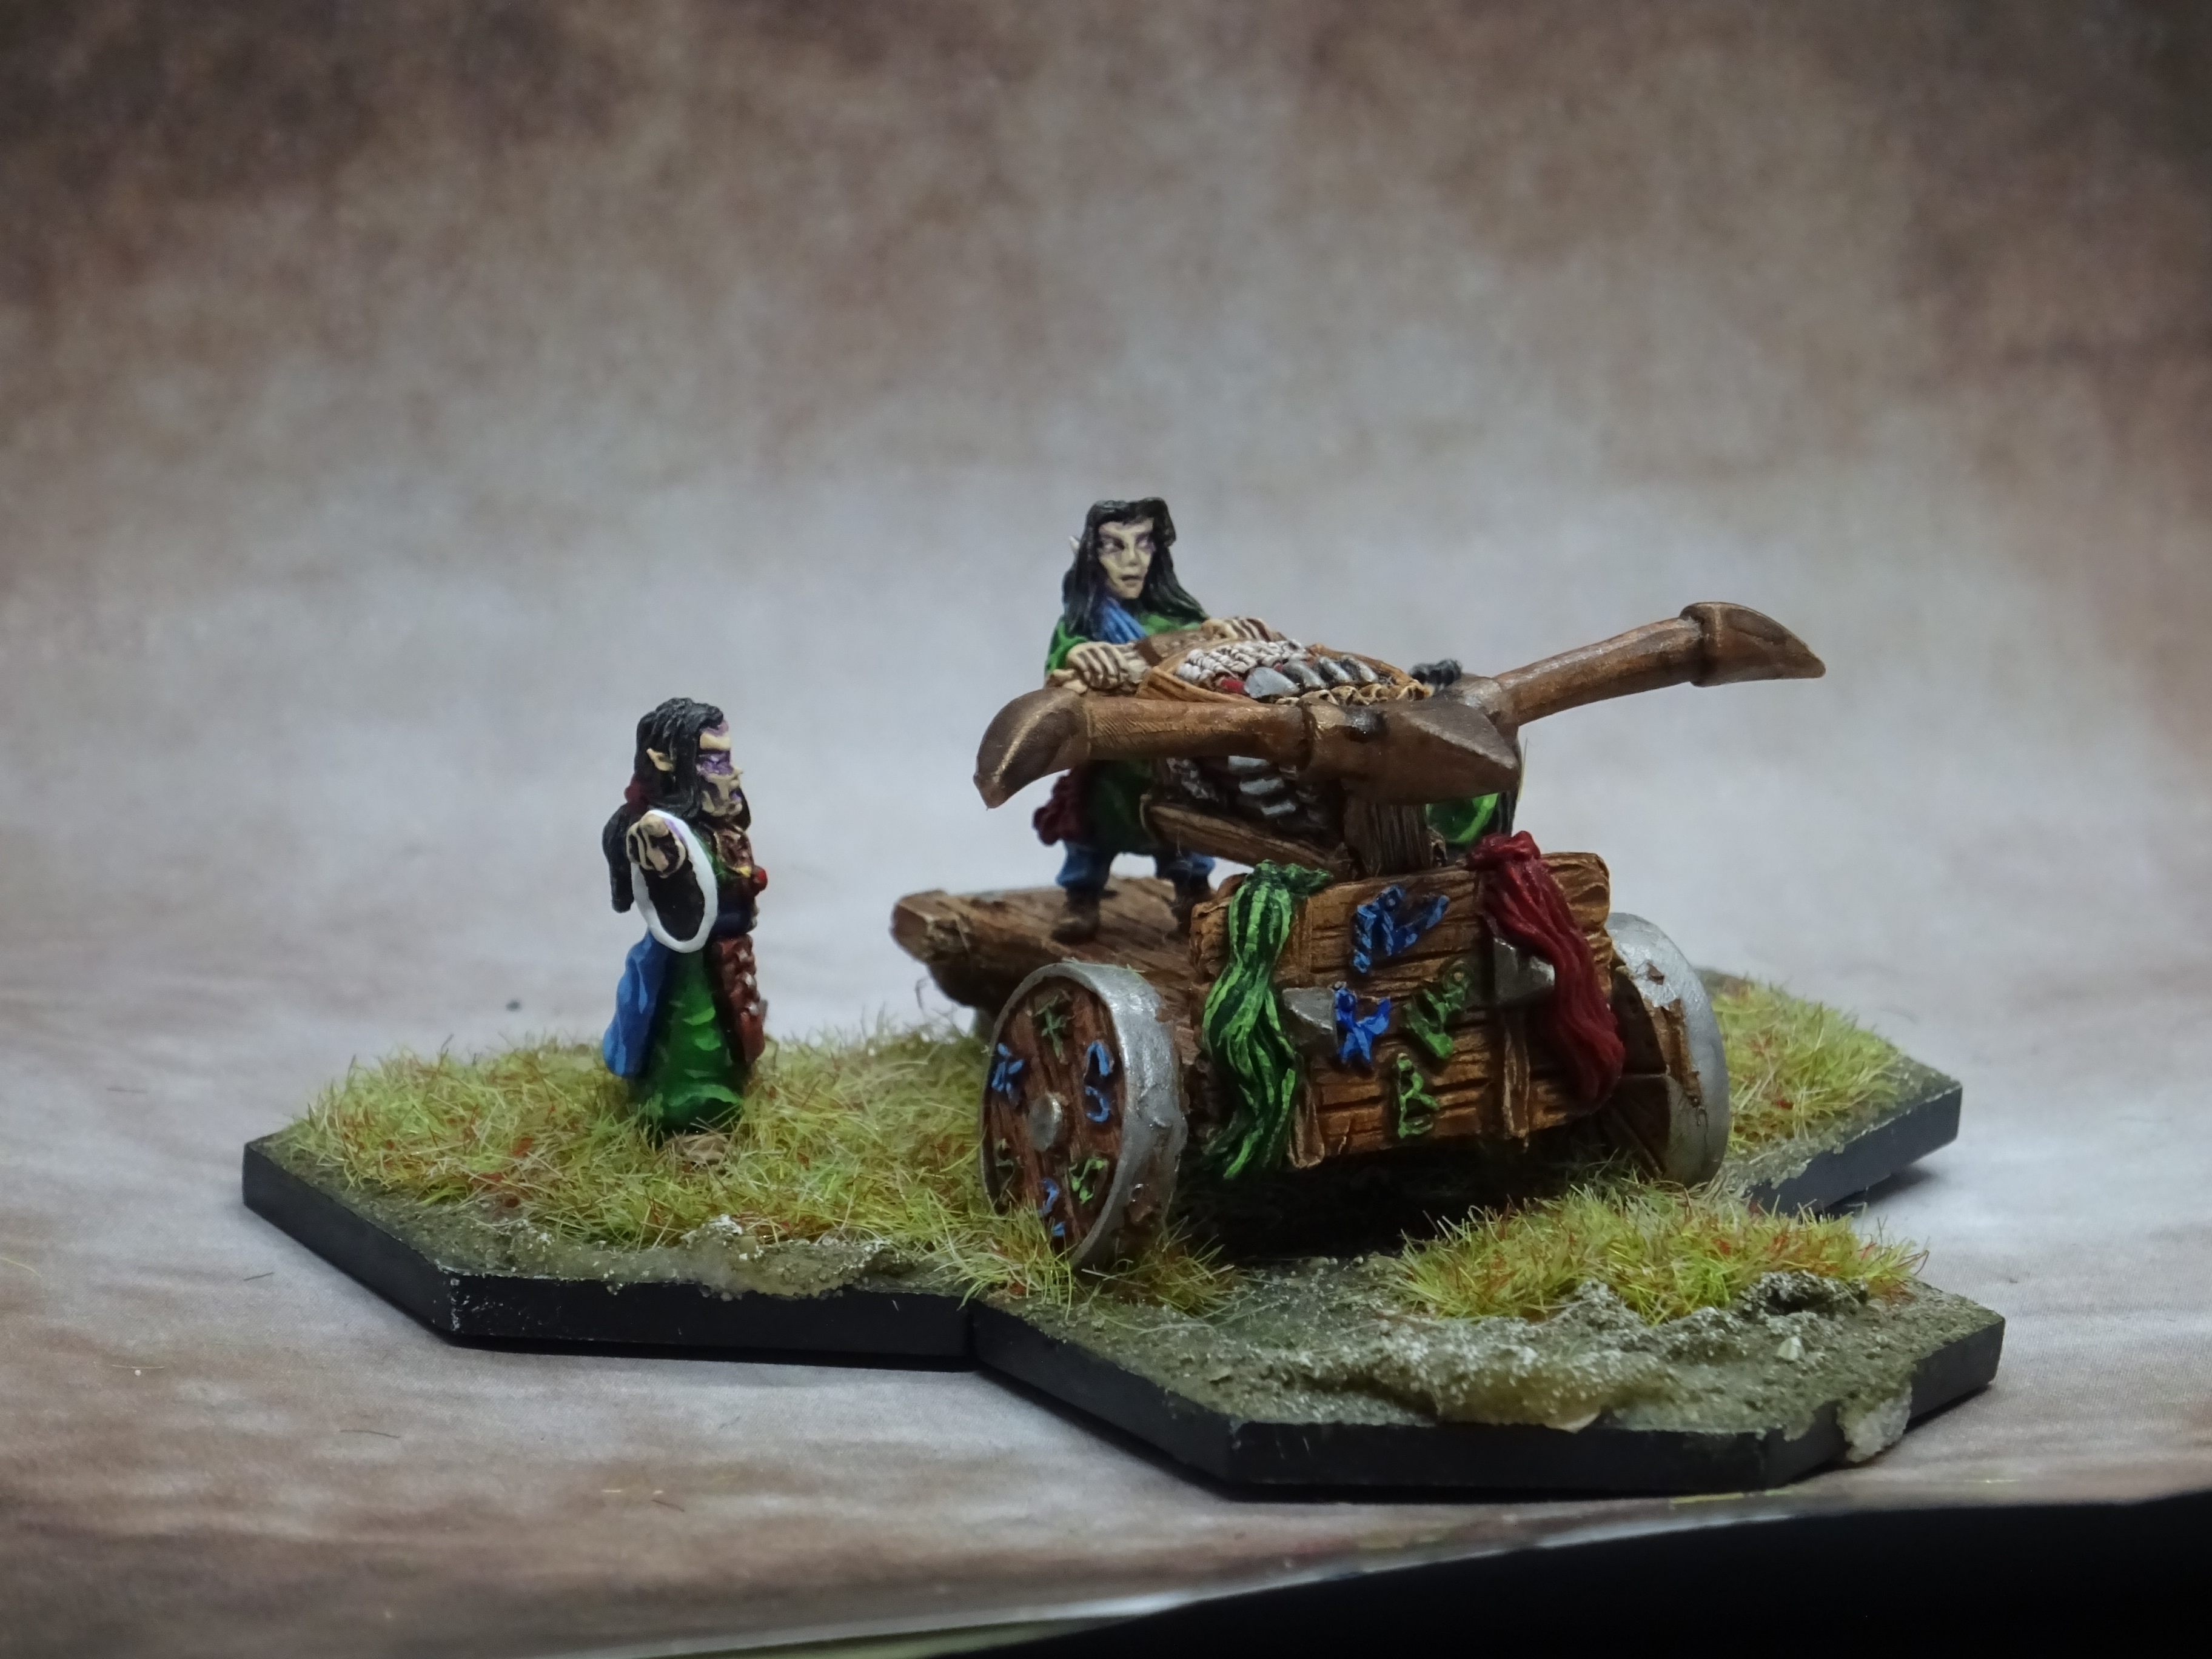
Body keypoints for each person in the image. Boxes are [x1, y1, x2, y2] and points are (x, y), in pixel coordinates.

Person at [1034, 498, 1266, 942]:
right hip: (1114, 763)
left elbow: (1209, 653)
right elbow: (1058, 671)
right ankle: (1081, 897)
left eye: (1143, 544)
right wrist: (1079, 654)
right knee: (1090, 829)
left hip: (1172, 759)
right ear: (1092, 555)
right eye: (1114, 546)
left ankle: (1192, 894)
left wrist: (1226, 636)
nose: (1132, 560)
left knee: (1186, 831)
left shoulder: (1177, 616)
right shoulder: (1083, 623)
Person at [598, 698, 767, 1133]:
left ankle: (726, 1089)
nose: (731, 772)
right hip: (693, 966)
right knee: (696, 1036)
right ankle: (690, 1119)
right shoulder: (661, 835)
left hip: (730, 953)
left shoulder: (719, 828)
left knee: (737, 1029)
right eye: (713, 761)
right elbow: (680, 891)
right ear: (668, 764)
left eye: (727, 759)